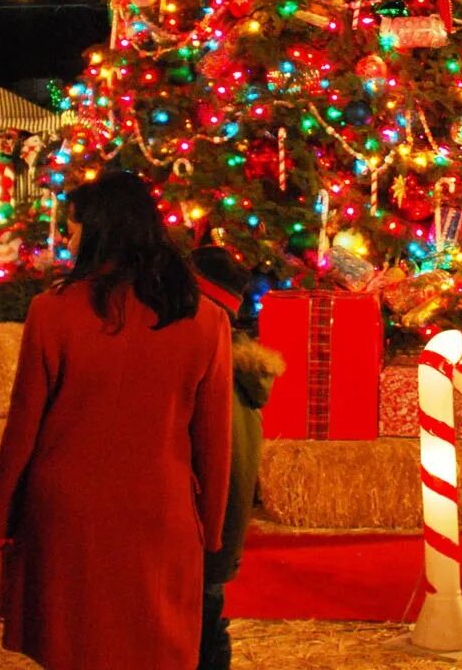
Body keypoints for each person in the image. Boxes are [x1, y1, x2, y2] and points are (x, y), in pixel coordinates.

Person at [0, 171, 233, 670]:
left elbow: (24, 423)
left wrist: (1, 514)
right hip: (159, 512)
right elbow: (215, 439)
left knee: (74, 646)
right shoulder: (206, 320)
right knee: (152, 648)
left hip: (67, 513)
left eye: (72, 230)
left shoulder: (51, 312)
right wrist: (213, 526)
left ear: (96, 232)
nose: (67, 241)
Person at [187, 247, 284, 670]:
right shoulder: (238, 366)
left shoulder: (210, 367)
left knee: (201, 622)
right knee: (208, 616)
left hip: (205, 521)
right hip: (222, 524)